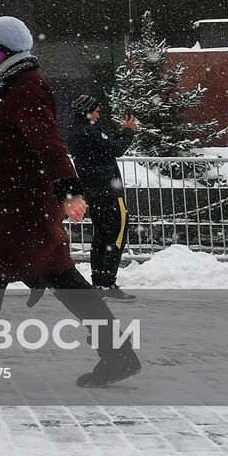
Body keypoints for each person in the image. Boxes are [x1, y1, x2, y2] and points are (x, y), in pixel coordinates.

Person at [0, 16, 141, 391]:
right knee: (40, 279)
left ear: (4, 49)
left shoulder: (26, 87)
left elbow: (47, 143)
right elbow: (4, 147)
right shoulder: (4, 85)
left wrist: (69, 192)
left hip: (22, 207)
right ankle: (117, 353)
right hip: (13, 203)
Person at [68, 95, 139, 302]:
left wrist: (120, 132)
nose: (99, 115)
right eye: (97, 110)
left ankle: (99, 282)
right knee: (115, 236)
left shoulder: (76, 132)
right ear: (88, 112)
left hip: (94, 193)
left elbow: (105, 147)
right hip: (109, 193)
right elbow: (116, 149)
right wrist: (128, 130)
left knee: (100, 238)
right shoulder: (90, 132)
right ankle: (107, 282)